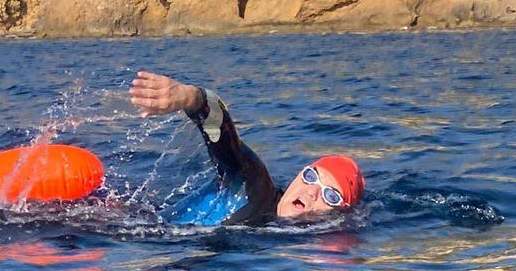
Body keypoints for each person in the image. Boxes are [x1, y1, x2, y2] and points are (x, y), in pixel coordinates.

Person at [129, 71, 364, 226]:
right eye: (311, 176)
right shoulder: (254, 184)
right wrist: (192, 99)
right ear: (298, 175)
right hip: (125, 232)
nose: (311, 192)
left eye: (330, 195)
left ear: (339, 215)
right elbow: (225, 139)